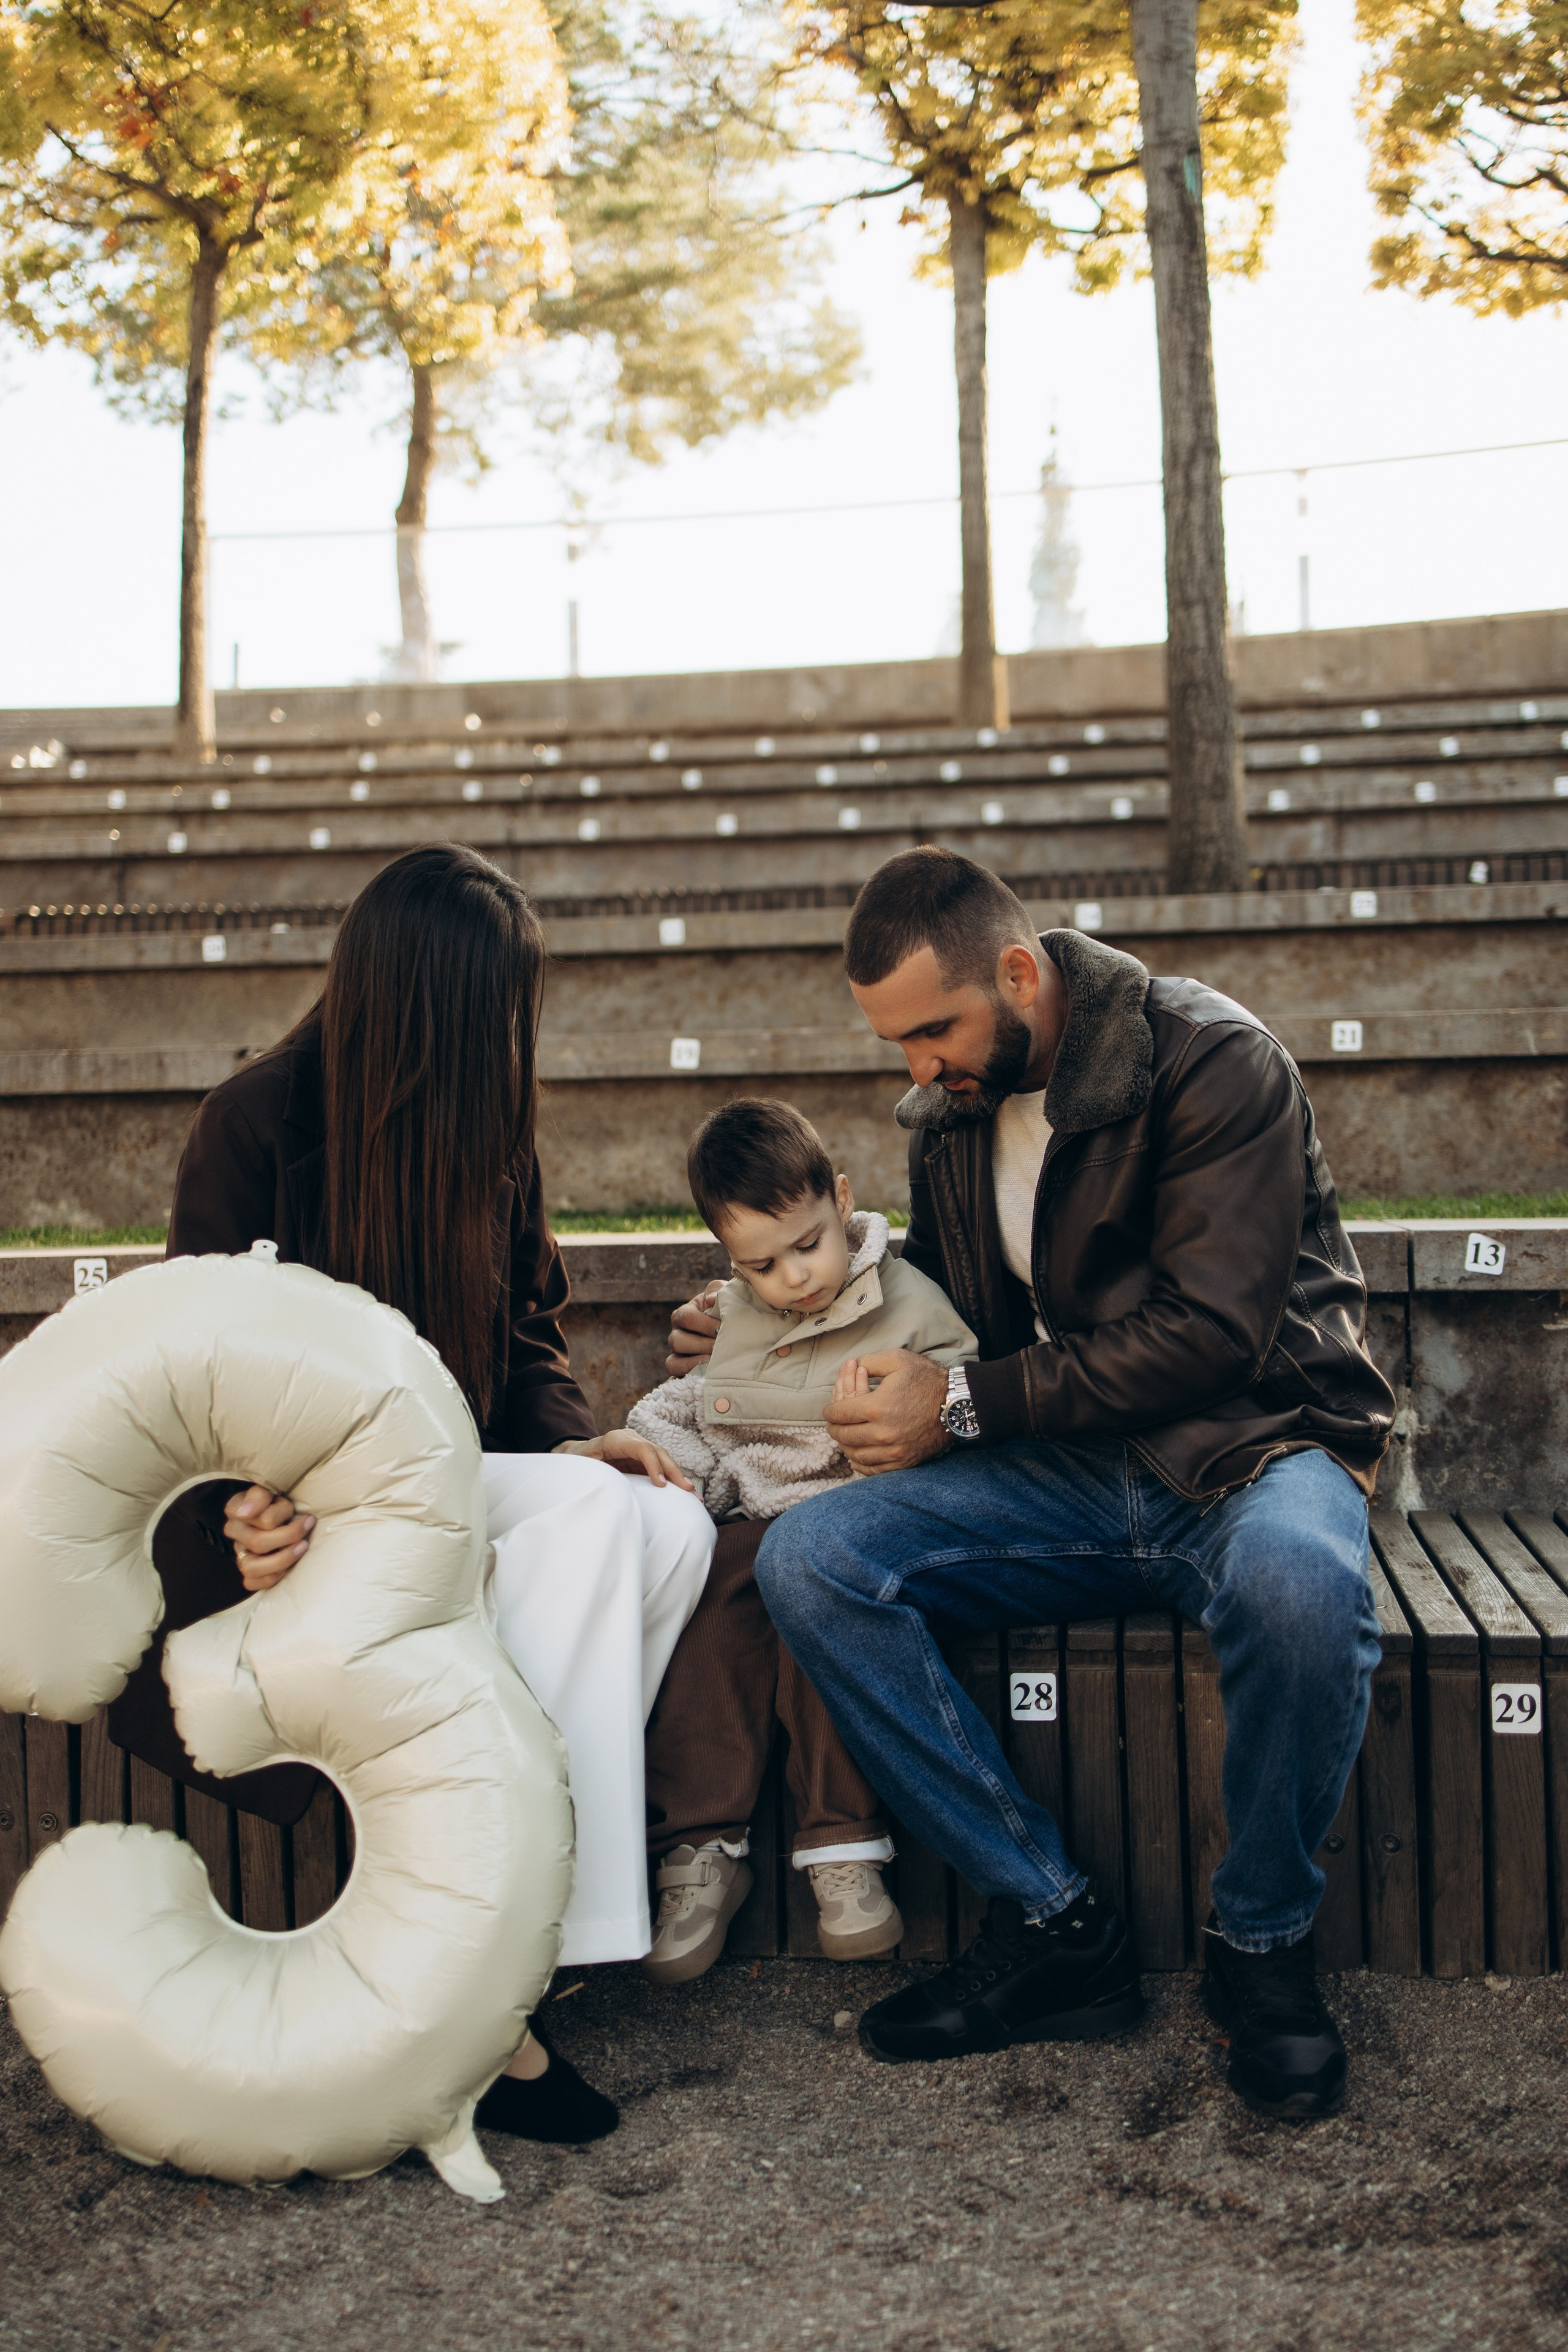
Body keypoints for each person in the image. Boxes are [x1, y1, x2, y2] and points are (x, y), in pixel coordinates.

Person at [668, 846, 1394, 2121]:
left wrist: (960, 1405)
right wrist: (750, 1335)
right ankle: (1057, 1924)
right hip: (1065, 1473)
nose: (917, 1070)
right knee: (812, 1561)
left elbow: (1212, 1335)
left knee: (1297, 1580)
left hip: (1252, 1448)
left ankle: (1262, 1943)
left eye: (933, 1030)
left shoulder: (1212, 1060)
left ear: (1016, 972)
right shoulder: (951, 1113)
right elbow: (939, 1316)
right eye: (895, 1043)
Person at [167, 843, 715, 2146]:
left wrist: (572, 1445)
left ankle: (496, 1913)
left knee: (666, 1523)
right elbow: (185, 1373)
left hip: (450, 1484)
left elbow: (525, 1337)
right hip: (305, 1524)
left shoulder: (486, 1138)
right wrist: (239, 1509)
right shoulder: (256, 1126)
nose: (517, 1038)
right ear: (439, 1006)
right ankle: (495, 1974)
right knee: (588, 1527)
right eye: (503, 1007)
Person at [628, 1098, 976, 1981]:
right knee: (709, 1618)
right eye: (763, 1263)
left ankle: (844, 1852)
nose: (795, 1278)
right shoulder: (732, 1315)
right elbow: (695, 1415)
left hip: (860, 1526)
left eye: (809, 1244)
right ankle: (698, 1853)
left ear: (842, 1198)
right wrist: (657, 1461)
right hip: (753, 1523)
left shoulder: (913, 1304)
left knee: (824, 1619)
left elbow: (961, 1412)